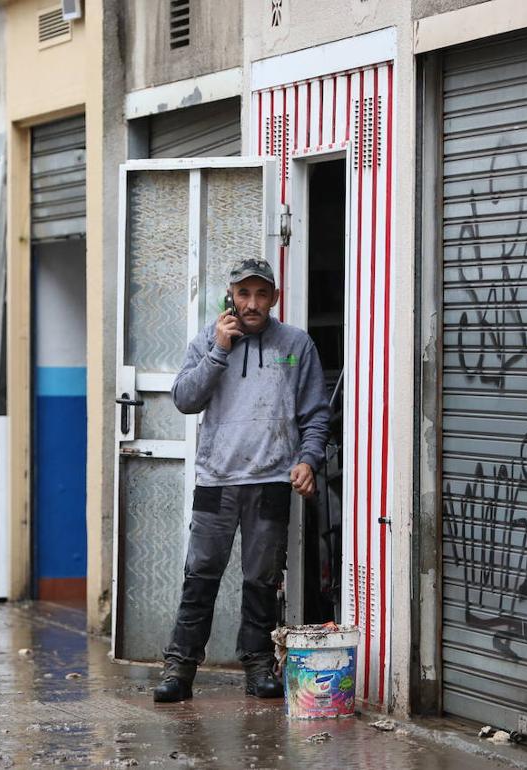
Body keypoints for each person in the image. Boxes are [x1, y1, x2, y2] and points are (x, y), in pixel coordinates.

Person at [155, 257, 330, 703]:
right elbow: (185, 400)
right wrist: (218, 350)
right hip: (216, 480)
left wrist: (308, 460)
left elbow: (314, 414)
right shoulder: (207, 342)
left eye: (261, 294)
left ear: (273, 298)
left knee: (261, 580)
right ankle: (180, 668)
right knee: (201, 576)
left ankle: (257, 666)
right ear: (230, 296)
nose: (252, 303)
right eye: (243, 293)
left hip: (271, 480)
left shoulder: (296, 344)